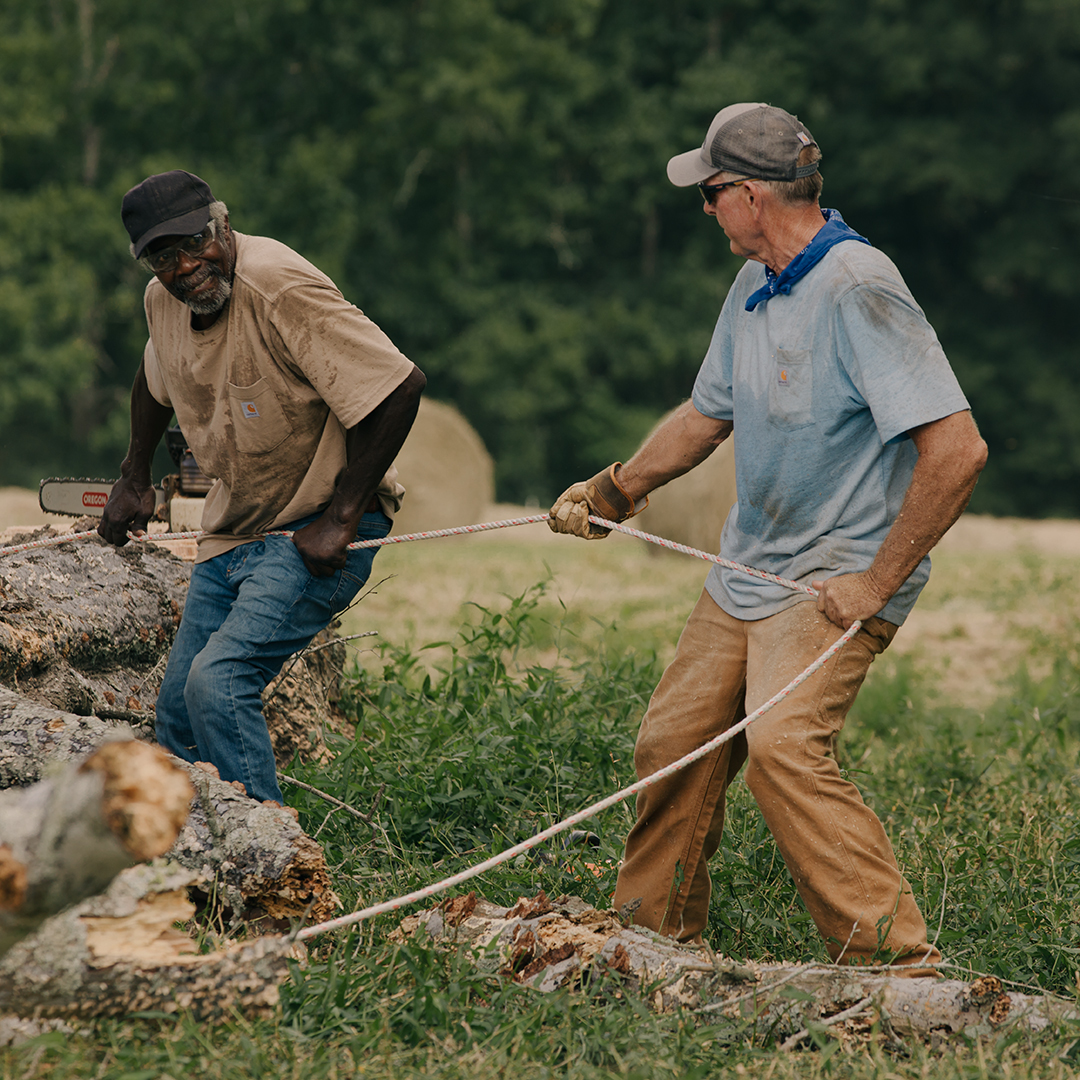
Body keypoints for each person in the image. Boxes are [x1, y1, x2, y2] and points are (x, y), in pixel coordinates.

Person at [549, 104, 987, 970]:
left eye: (710, 194)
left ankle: (894, 968)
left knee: (783, 749)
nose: (704, 210)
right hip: (748, 565)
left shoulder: (859, 285)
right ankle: (652, 946)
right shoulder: (754, 284)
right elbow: (709, 412)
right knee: (670, 745)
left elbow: (959, 451)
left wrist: (875, 582)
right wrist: (616, 489)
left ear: (751, 194)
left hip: (835, 578)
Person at [100, 169, 426, 806]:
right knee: (177, 718)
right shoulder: (161, 302)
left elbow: (399, 386)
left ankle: (270, 875)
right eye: (165, 256)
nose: (189, 265)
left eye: (197, 242)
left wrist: (342, 515)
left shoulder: (275, 282)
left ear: (223, 225)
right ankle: (194, 876)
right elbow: (152, 378)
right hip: (234, 530)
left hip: (316, 530)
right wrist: (133, 477)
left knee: (217, 685)